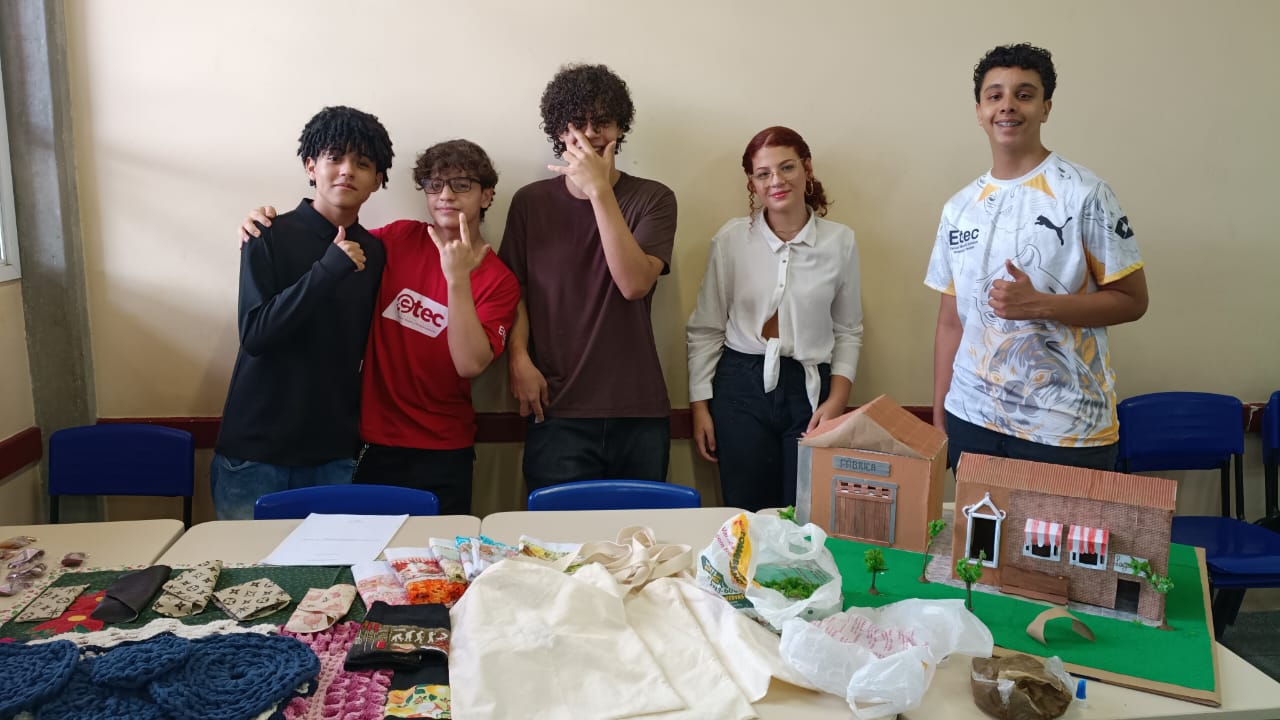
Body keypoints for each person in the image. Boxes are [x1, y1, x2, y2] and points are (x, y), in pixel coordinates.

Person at [239, 140, 520, 515]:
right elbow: (329, 244)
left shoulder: (500, 280)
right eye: (434, 185)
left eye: (461, 185)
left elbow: (469, 364)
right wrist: (265, 226)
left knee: (441, 553)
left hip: (444, 447)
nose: (446, 196)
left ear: (486, 195)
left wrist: (457, 280)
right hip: (373, 444)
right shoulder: (399, 239)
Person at [926, 43, 1148, 473]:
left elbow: (1133, 300)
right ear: (979, 111)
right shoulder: (959, 208)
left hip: (1064, 425)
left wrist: (1040, 305)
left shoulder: (1085, 194)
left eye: (1024, 94)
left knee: (1059, 525)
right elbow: (951, 321)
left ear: (1045, 108)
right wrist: (941, 410)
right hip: (971, 419)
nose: (1007, 105)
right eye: (995, 95)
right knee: (978, 523)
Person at [500, 63, 678, 492]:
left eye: (603, 122)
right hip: (556, 408)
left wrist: (599, 191)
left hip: (637, 409)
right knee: (554, 534)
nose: (591, 133)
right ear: (558, 131)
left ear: (620, 128)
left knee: (640, 535)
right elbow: (513, 291)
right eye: (577, 123)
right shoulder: (529, 203)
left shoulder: (653, 198)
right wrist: (518, 358)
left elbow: (634, 284)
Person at [213, 105, 393, 520]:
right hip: (256, 452)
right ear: (311, 166)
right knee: (247, 562)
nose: (347, 171)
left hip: (331, 451)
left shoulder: (375, 252)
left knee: (329, 563)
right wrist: (327, 270)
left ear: (377, 180)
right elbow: (255, 334)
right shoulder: (267, 234)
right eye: (335, 157)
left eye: (362, 163)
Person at [687, 126, 863, 511]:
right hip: (740, 384)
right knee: (745, 511)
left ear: (806, 168)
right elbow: (706, 327)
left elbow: (849, 330)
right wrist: (700, 406)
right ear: (752, 183)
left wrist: (837, 401)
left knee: (804, 512)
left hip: (809, 386)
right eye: (763, 174)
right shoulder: (731, 240)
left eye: (787, 167)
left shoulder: (840, 242)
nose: (776, 181)